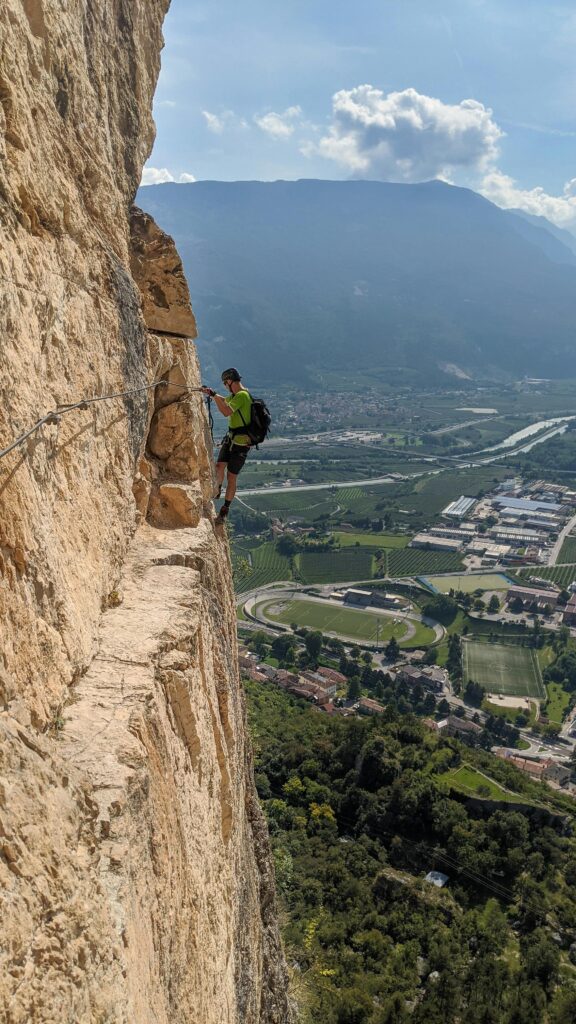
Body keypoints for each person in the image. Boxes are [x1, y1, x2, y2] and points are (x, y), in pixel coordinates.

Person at [202, 368, 252, 524]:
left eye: (225, 383)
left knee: (232, 477)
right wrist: (213, 394)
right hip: (231, 439)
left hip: (241, 444)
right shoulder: (236, 396)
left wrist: (214, 396)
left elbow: (226, 411)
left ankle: (225, 509)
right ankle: (217, 490)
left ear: (230, 381)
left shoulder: (243, 396)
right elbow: (226, 400)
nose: (225, 386)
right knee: (219, 466)